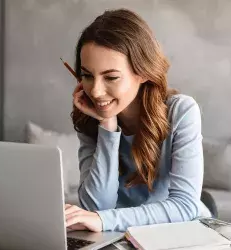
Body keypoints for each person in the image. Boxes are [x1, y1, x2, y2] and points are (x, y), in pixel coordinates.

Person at [65, 8, 206, 233]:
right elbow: (97, 206)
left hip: (176, 234)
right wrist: (108, 125)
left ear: (142, 72)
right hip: (119, 235)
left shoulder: (181, 111)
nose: (96, 91)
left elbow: (185, 206)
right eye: (87, 75)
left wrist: (104, 220)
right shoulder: (91, 117)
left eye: (111, 77)